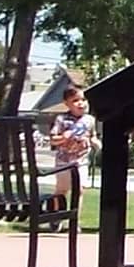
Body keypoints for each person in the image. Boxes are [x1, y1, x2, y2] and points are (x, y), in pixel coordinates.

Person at [43, 73, 94, 219]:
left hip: (81, 161)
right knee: (62, 190)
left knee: (80, 190)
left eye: (83, 100)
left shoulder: (89, 120)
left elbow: (93, 137)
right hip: (63, 161)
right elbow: (53, 140)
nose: (81, 103)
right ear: (67, 103)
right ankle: (55, 215)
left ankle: (74, 219)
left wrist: (95, 143)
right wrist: (63, 138)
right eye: (75, 100)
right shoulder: (61, 119)